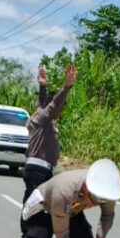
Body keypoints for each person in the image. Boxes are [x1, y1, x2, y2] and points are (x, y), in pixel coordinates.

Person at [21, 63, 76, 207]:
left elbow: (43, 103)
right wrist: (66, 87)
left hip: (41, 171)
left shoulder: (44, 119)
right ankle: (30, 228)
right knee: (37, 207)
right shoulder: (43, 118)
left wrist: (42, 87)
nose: (61, 111)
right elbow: (51, 106)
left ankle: (26, 227)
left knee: (31, 205)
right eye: (61, 108)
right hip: (37, 171)